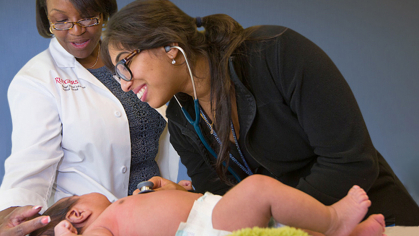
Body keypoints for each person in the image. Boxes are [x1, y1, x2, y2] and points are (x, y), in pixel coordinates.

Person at [101, 0, 419, 226]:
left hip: (375, 217)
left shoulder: (276, 53)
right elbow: (225, 204)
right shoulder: (183, 121)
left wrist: (275, 214)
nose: (125, 86)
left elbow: (350, 163)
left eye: (124, 65)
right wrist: (185, 199)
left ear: (169, 45)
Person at [0, 0, 179, 235]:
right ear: (47, 20)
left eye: (87, 17)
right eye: (61, 21)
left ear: (103, 12)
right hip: (95, 224)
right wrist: (9, 214)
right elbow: (30, 164)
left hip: (154, 212)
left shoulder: (132, 53)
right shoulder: (36, 80)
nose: (76, 30)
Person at [30, 175, 385, 236]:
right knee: (259, 189)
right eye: (79, 195)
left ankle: (346, 233)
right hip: (207, 227)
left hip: (208, 212)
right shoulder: (100, 226)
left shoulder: (121, 209)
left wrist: (176, 192)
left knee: (286, 230)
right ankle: (334, 220)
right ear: (77, 214)